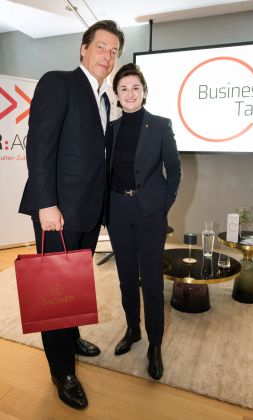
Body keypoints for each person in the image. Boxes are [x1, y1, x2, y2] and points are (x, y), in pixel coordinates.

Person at [19, 20, 124, 410]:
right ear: (83, 49)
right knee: (53, 290)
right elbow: (40, 146)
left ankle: (71, 333)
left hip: (87, 210)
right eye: (101, 47)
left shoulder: (103, 98)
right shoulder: (58, 82)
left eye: (114, 51)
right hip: (57, 210)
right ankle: (62, 370)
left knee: (75, 281)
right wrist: (46, 204)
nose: (108, 56)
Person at [107, 63, 181, 380]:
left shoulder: (161, 125)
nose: (130, 93)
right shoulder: (111, 129)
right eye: (123, 88)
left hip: (150, 214)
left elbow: (174, 170)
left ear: (144, 91)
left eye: (135, 87)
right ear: (117, 95)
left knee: (151, 282)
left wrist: (162, 205)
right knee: (126, 279)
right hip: (118, 213)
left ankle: (154, 344)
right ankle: (133, 330)